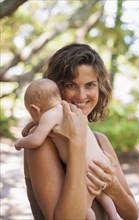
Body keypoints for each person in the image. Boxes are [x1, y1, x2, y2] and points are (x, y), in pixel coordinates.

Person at [20, 43, 138, 220]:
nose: (81, 96)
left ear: (100, 87)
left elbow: (132, 214)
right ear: (56, 88)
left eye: (90, 85)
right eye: (71, 85)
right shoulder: (42, 145)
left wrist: (113, 186)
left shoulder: (100, 140)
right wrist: (76, 143)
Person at [15, 78, 119, 220]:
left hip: (87, 170)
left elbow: (36, 139)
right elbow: (34, 125)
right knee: (101, 194)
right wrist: (27, 129)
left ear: (35, 109)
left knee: (85, 209)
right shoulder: (72, 112)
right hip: (100, 163)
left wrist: (19, 143)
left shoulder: (48, 116)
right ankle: (115, 216)